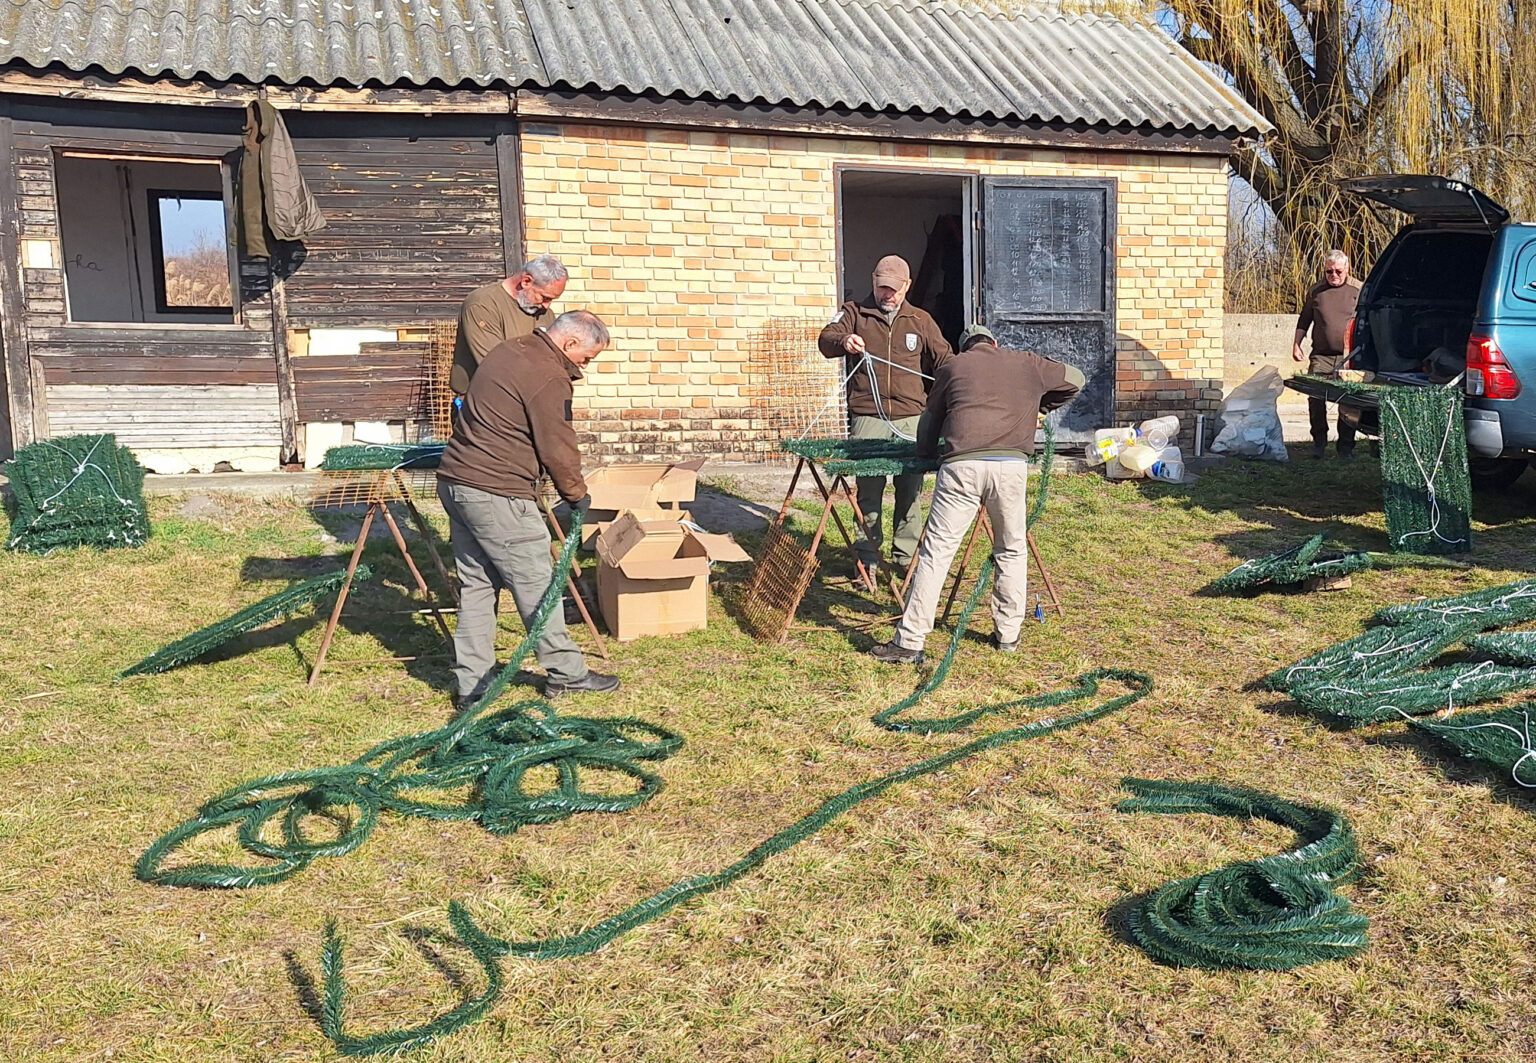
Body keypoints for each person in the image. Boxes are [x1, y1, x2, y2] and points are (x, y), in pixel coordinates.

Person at [869, 325, 1083, 664]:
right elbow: (1076, 378)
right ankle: (1008, 636)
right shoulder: (1026, 362)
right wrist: (1037, 408)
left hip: (961, 468)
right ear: (995, 344)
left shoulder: (953, 367)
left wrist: (924, 455)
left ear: (965, 347)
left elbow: (930, 421)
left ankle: (909, 642)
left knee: (937, 553)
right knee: (1011, 550)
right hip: (1011, 468)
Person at [437, 310, 619, 704]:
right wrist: (575, 494)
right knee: (537, 585)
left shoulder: (509, 350)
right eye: (586, 358)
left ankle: (474, 685)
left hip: (457, 482)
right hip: (496, 492)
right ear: (569, 343)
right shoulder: (548, 375)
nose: (584, 367)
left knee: (478, 587)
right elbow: (556, 442)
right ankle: (567, 673)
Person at [818, 255, 953, 586]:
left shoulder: (920, 320)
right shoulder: (855, 313)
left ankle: (907, 559)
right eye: (882, 288)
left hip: (911, 418)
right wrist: (843, 341)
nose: (887, 295)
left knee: (910, 490)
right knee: (869, 491)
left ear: (907, 286)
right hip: (869, 415)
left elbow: (946, 361)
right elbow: (825, 339)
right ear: (874, 283)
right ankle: (866, 562)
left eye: (893, 289)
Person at [449, 254, 569, 396]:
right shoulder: (482, 305)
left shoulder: (543, 313)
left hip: (529, 399)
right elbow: (496, 364)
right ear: (526, 281)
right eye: (545, 297)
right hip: (484, 402)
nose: (547, 306)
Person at [1292, 249, 1363, 459]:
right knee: (1315, 396)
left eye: (1338, 271)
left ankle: (1346, 447)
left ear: (1347, 269)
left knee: (1348, 400)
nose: (1334, 275)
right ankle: (1319, 443)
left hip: (1348, 357)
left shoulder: (1358, 290)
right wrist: (1296, 344)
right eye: (1329, 271)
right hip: (1320, 355)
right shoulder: (1316, 290)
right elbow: (1304, 319)